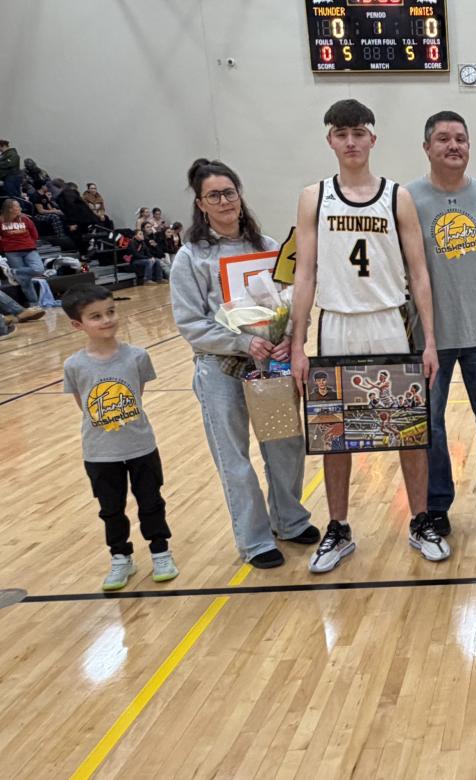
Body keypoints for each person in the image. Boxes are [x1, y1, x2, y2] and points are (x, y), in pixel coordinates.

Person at [290, 99, 442, 569]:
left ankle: (419, 520)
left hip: (388, 321)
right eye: (341, 134)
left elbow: (419, 273)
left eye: (358, 133)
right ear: (330, 140)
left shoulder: (398, 196)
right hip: (336, 323)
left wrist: (430, 340)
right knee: (335, 436)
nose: (351, 142)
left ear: (373, 138)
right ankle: (338, 529)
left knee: (407, 431)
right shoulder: (314, 196)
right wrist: (297, 342)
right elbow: (305, 274)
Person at [171, 158, 318, 569]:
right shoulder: (190, 258)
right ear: (201, 204)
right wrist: (240, 341)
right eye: (213, 195)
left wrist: (288, 337)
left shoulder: (268, 247)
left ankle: (289, 520)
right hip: (220, 369)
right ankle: (255, 540)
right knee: (234, 457)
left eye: (229, 192)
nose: (224, 201)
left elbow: (291, 299)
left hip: (270, 366)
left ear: (240, 194)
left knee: (284, 446)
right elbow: (190, 323)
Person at [406, 110, 476, 536]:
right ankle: (436, 505)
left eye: (461, 139)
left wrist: (467, 284)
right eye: (443, 139)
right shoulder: (408, 199)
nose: (453, 146)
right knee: (429, 426)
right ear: (427, 147)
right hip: (428, 338)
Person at [61, 283, 179, 591]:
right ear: (78, 324)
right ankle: (120, 557)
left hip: (140, 446)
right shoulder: (74, 365)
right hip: (99, 453)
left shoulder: (137, 356)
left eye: (111, 312)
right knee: (110, 509)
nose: (107, 320)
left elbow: (135, 397)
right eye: (96, 316)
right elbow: (84, 405)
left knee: (151, 502)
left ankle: (161, 552)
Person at [1, 199, 48, 305]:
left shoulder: (25, 218)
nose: (20, 208)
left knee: (39, 269)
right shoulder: (1, 220)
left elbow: (34, 234)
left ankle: (12, 272)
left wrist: (30, 243)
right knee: (24, 280)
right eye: (17, 206)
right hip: (12, 251)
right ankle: (34, 303)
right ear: (10, 209)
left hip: (29, 249)